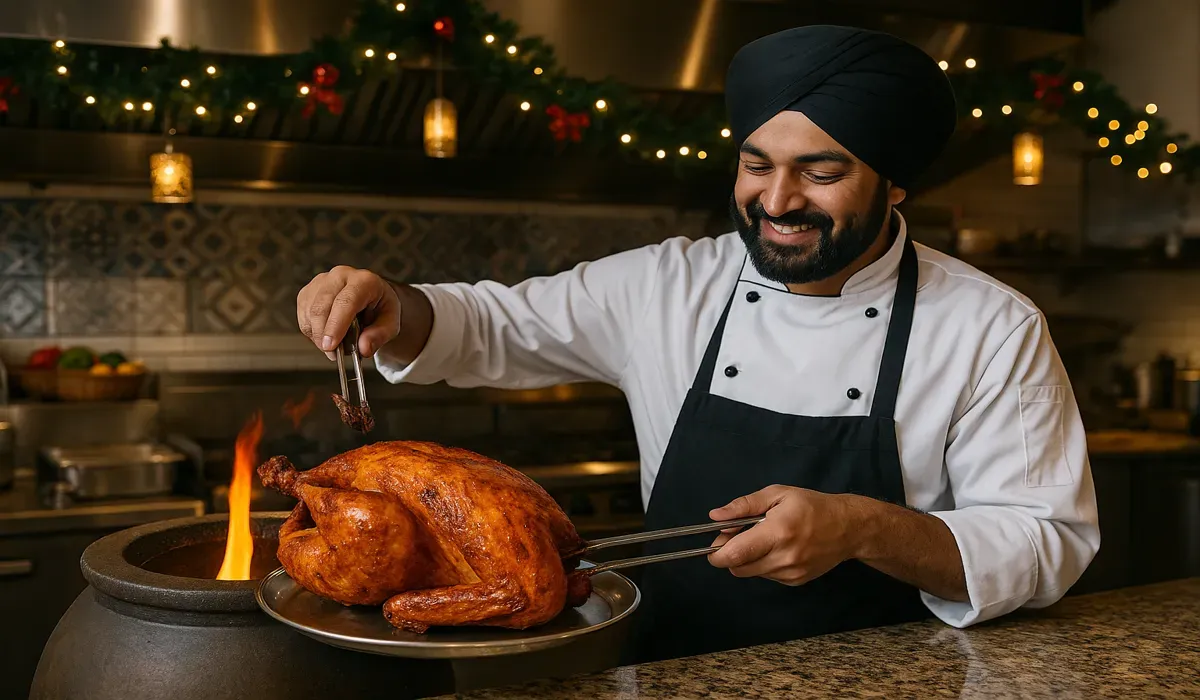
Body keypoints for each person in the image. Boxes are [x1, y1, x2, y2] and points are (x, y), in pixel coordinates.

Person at [295, 25, 1099, 663]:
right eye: (757, 165)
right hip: (671, 672)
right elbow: (496, 323)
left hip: (889, 680)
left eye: (819, 173)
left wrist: (863, 527)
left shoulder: (991, 326)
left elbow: (1045, 541)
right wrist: (393, 305)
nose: (776, 200)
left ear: (894, 184)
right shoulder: (667, 284)